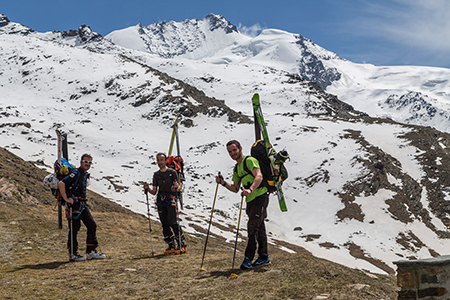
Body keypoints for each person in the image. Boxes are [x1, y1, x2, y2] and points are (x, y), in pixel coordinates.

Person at [216, 140, 271, 269]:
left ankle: (248, 258)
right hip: (250, 199)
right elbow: (235, 188)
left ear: (240, 148)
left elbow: (259, 176)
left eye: (234, 150)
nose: (232, 153)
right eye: (230, 151)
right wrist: (223, 183)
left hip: (260, 196)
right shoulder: (237, 168)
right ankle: (263, 257)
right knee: (259, 227)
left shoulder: (249, 161)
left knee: (252, 228)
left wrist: (250, 189)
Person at [58, 154, 106, 262]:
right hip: (74, 205)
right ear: (81, 162)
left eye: (89, 162)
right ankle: (73, 254)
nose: (87, 164)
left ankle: (91, 251)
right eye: (85, 162)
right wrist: (66, 199)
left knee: (91, 225)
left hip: (81, 204)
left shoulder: (84, 174)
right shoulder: (75, 173)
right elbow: (61, 183)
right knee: (74, 229)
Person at [144, 152, 186, 255]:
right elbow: (154, 191)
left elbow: (179, 186)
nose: (160, 162)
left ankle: (181, 244)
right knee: (164, 224)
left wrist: (178, 187)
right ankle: (171, 245)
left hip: (171, 199)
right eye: (158, 160)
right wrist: (148, 189)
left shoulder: (172, 173)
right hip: (160, 200)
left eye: (161, 160)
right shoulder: (156, 175)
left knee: (173, 222)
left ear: (165, 161)